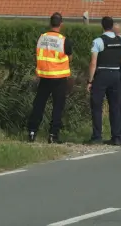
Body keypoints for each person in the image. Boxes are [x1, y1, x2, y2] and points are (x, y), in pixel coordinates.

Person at [27, 12, 74, 144]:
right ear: (61, 24)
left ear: (50, 23)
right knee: (57, 107)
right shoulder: (64, 40)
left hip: (44, 76)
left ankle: (32, 132)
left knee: (39, 105)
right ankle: (53, 135)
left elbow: (38, 54)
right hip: (59, 78)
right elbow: (69, 58)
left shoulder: (42, 38)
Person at [87, 16, 121, 145]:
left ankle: (97, 136)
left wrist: (90, 81)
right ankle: (116, 137)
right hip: (116, 74)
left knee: (97, 106)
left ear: (102, 26)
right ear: (111, 26)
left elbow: (93, 63)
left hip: (102, 74)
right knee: (115, 107)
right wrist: (116, 59)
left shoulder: (98, 41)